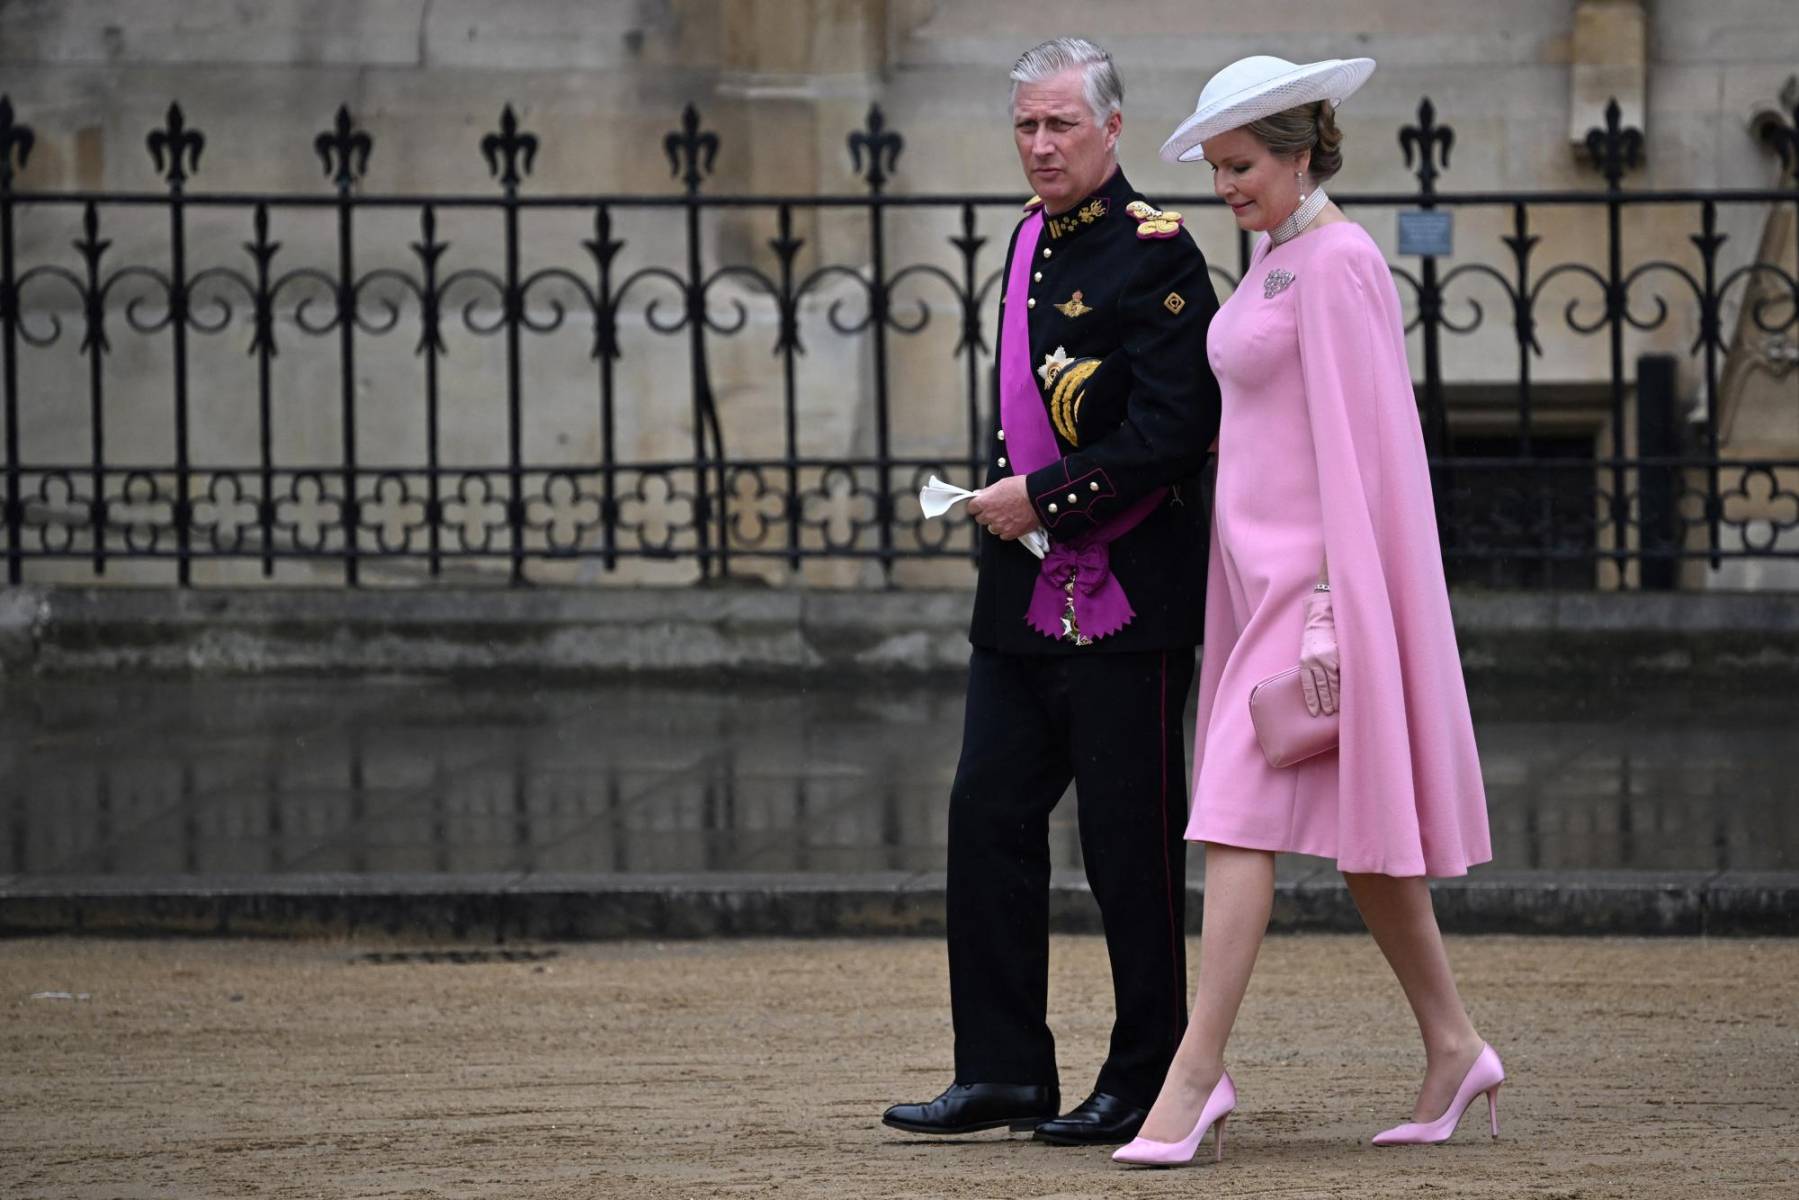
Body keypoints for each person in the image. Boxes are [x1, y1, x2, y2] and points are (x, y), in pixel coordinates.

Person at [1110, 55, 1500, 1168]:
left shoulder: (1335, 264)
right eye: (1219, 167)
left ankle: (1193, 1078)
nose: (1225, 184)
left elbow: (1360, 448)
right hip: (1256, 587)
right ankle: (1452, 1044)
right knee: (1367, 846)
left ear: (1297, 153)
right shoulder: (1280, 257)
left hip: (1310, 597)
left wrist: (1332, 610)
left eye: (1240, 165)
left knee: (1231, 812)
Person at [881, 37, 1222, 1147]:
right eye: (1025, 126)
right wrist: (1015, 511)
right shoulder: (1024, 240)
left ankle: (1147, 1078)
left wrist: (1046, 500)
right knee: (984, 818)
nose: (1038, 146)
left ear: (1110, 129)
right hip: (1021, 598)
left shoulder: (1157, 255)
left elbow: (1175, 430)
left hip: (1128, 596)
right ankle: (1000, 1072)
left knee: (1127, 845)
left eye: (1059, 125)